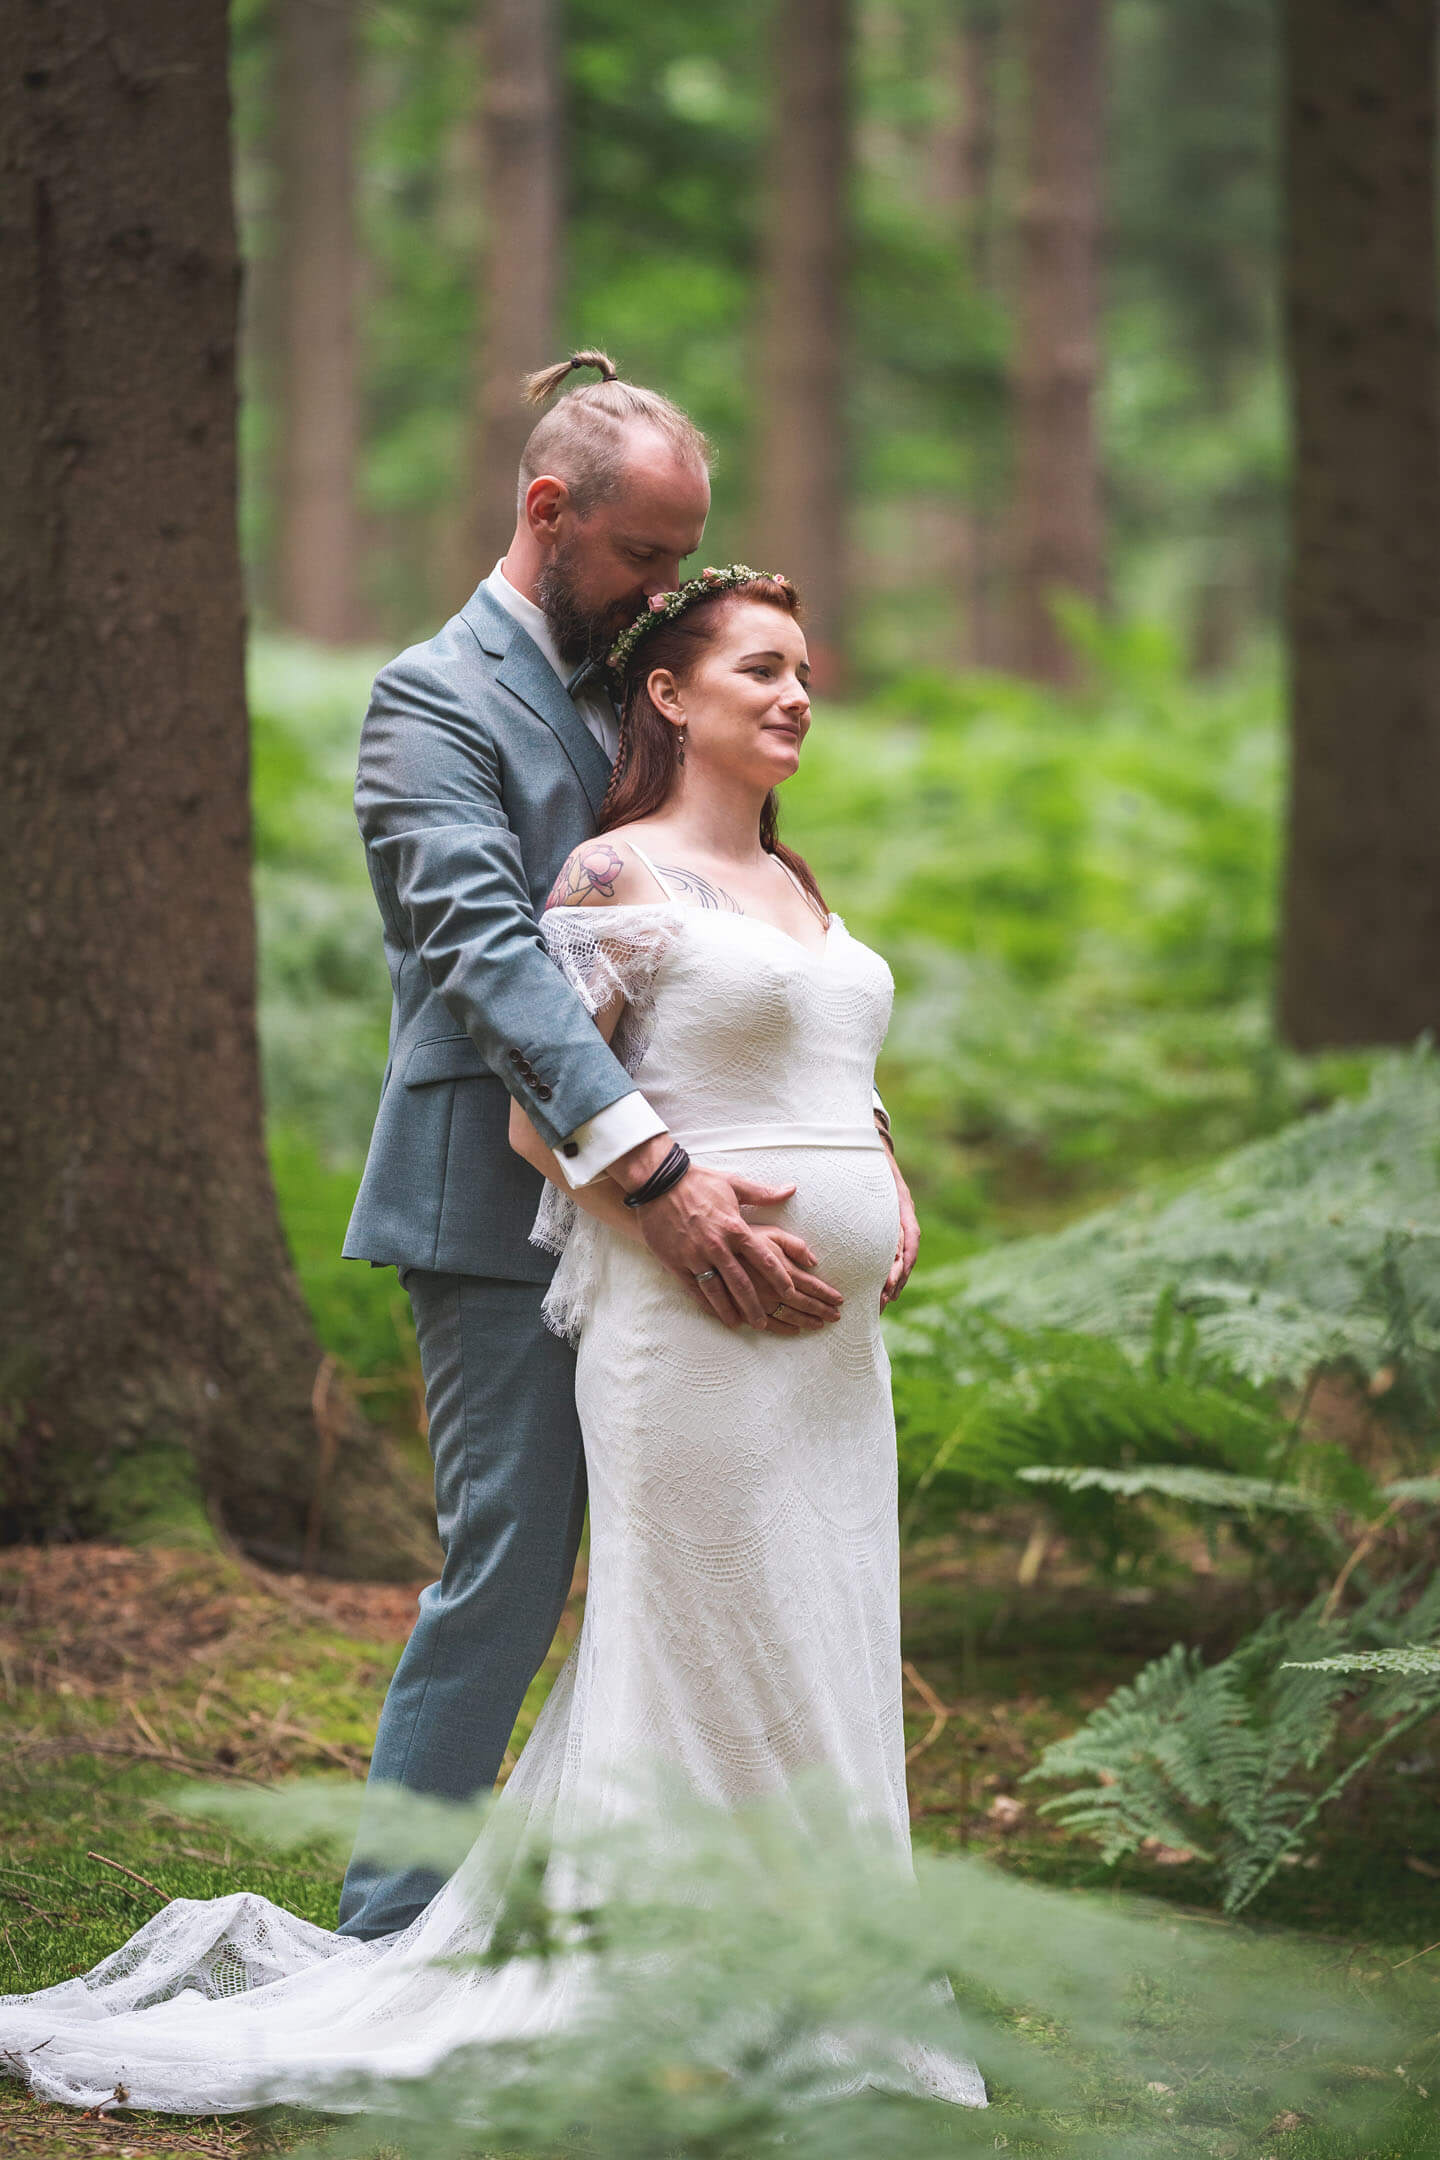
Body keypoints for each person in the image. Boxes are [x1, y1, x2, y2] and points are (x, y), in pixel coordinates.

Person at [0, 565, 983, 2115]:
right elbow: (540, 1104)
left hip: (828, 1352)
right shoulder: (602, 861)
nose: (799, 693)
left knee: (826, 1614)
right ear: (671, 695)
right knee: (648, 1607)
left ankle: (826, 1960)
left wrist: (879, 1169)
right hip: (688, 1313)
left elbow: (820, 1051)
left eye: (808, 670)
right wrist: (673, 1205)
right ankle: (610, 1958)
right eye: (764, 668)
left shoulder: (795, 880)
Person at [332, 354, 907, 1940]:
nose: (665, 591)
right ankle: (386, 1934)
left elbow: (740, 939)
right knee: (511, 1572)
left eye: (682, 557)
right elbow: (483, 952)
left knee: (717, 1572)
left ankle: (686, 1930)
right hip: (494, 1203)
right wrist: (652, 1173)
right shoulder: (434, 701)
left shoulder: (644, 684)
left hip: (692, 1248)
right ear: (546, 509)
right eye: (643, 554)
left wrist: (851, 1137)